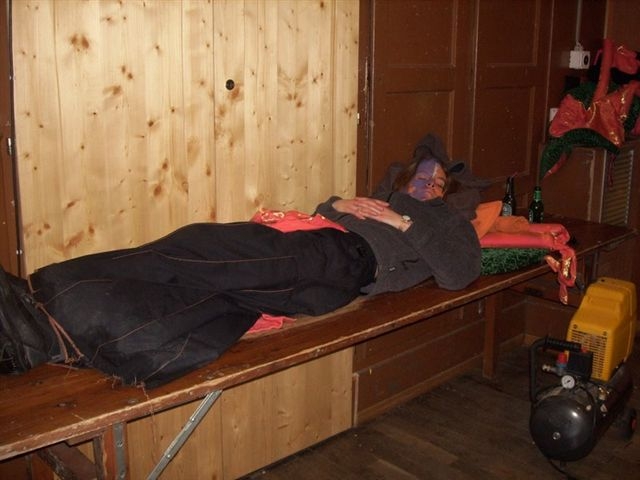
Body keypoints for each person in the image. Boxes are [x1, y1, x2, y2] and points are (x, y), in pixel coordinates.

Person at [0, 136, 481, 387]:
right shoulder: (383, 197)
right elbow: (322, 213)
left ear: (447, 192)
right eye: (421, 176)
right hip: (319, 251)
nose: (427, 184)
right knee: (198, 294)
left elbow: (460, 274)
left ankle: (36, 298)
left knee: (197, 250)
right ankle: (45, 340)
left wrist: (403, 223)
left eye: (437, 182)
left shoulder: (448, 222)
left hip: (343, 261)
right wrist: (339, 204)